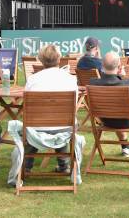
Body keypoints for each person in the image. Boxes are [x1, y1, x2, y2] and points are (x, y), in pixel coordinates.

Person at [24, 45, 78, 173]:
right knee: (61, 122)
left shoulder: (32, 79)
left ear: (41, 60)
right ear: (59, 59)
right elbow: (74, 106)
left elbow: (26, 106)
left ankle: (25, 167)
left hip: (37, 128)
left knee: (39, 124)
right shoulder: (70, 79)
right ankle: (64, 165)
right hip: (64, 126)